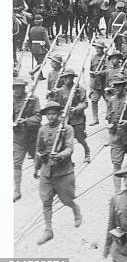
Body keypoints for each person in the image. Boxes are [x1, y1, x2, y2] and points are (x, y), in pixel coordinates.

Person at [34, 101, 83, 245]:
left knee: (66, 200)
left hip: (63, 172)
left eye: (54, 113)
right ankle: (48, 230)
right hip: (46, 171)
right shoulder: (42, 130)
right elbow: (38, 149)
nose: (51, 117)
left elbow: (70, 148)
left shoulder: (67, 129)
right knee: (46, 201)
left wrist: (60, 155)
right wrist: (36, 167)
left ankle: (75, 209)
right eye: (48, 114)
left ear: (59, 114)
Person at [52, 68, 90, 163]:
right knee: (64, 140)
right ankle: (68, 160)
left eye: (69, 77)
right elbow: (57, 104)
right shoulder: (60, 91)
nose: (67, 80)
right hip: (65, 119)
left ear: (73, 78)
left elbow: (85, 103)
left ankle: (87, 151)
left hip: (77, 119)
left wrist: (76, 108)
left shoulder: (79, 89)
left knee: (80, 138)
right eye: (65, 77)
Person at [13, 77, 41, 202]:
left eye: (18, 87)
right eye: (14, 87)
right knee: (16, 164)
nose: (16, 90)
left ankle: (48, 184)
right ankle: (17, 190)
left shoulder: (32, 99)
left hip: (32, 137)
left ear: (23, 87)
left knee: (39, 160)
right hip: (18, 138)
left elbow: (38, 118)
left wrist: (25, 121)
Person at [28, 14, 50, 80]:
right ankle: (33, 71)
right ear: (41, 22)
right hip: (41, 48)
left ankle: (40, 76)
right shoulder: (43, 29)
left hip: (33, 47)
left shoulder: (31, 29)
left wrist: (30, 48)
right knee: (43, 62)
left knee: (39, 62)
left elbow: (29, 40)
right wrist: (48, 47)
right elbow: (47, 40)